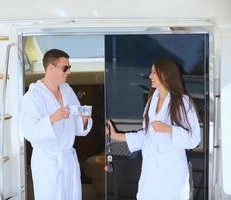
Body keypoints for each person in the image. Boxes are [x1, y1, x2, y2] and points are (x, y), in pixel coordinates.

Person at [107, 58, 201, 200]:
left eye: (153, 73)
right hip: (150, 177)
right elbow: (147, 136)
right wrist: (116, 135)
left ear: (165, 74)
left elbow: (193, 139)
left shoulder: (183, 102)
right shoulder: (151, 102)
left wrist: (169, 129)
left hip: (172, 177)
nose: (150, 76)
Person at [20, 49, 92, 200]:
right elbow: (29, 131)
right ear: (51, 68)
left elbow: (78, 126)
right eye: (65, 68)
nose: (69, 72)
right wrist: (52, 118)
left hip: (67, 160)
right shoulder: (32, 97)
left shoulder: (67, 90)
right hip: (48, 163)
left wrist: (84, 120)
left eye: (69, 67)